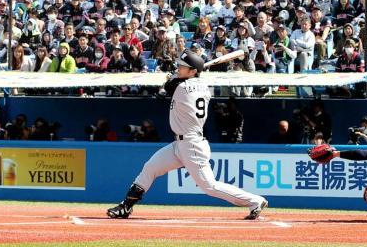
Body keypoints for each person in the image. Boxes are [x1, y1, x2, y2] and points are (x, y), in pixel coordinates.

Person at [107, 51, 267, 220]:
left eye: (183, 67)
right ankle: (126, 207)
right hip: (180, 144)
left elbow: (167, 89)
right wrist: (175, 77)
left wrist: (169, 79)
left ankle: (255, 201)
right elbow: (171, 87)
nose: (179, 68)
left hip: (192, 144)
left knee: (209, 186)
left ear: (192, 71)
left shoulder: (182, 86)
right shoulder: (203, 87)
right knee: (150, 168)